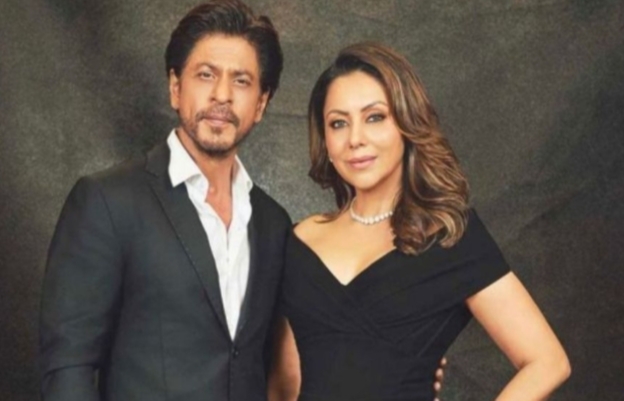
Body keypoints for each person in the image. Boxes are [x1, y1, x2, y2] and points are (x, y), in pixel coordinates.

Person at [269, 42, 571, 401]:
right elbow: (283, 387)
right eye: (338, 123)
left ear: (406, 124)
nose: (355, 139)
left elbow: (547, 361)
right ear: (325, 140)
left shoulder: (449, 235)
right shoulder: (300, 241)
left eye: (374, 117)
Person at [38, 1, 291, 400]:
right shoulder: (107, 202)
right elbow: (69, 366)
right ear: (175, 87)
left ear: (261, 103)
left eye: (241, 81)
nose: (222, 95)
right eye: (206, 75)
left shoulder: (273, 223)